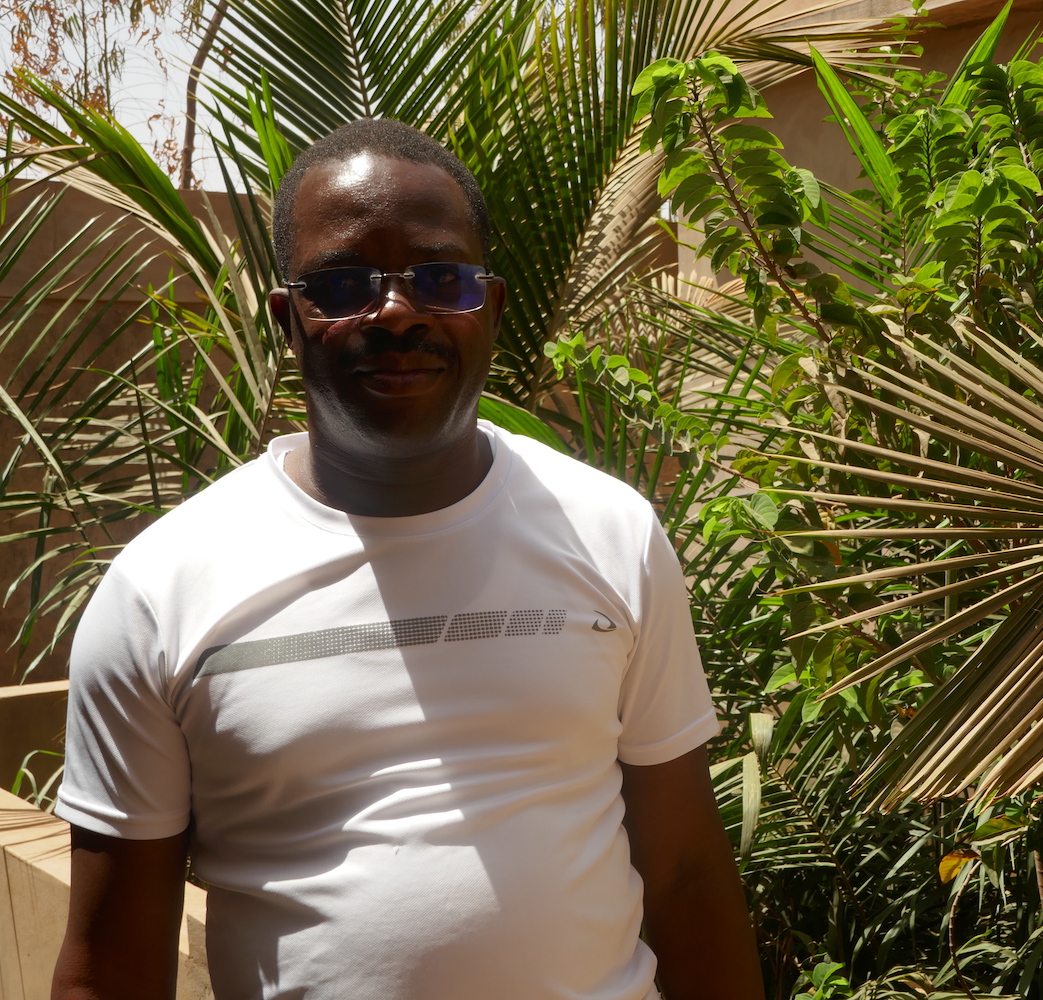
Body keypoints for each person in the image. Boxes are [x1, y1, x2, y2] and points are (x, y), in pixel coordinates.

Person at [50, 118, 763, 1000]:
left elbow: (688, 867)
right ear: (289, 319)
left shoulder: (609, 532)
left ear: (490, 308)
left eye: (441, 277)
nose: (396, 311)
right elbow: (112, 959)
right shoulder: (164, 589)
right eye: (344, 281)